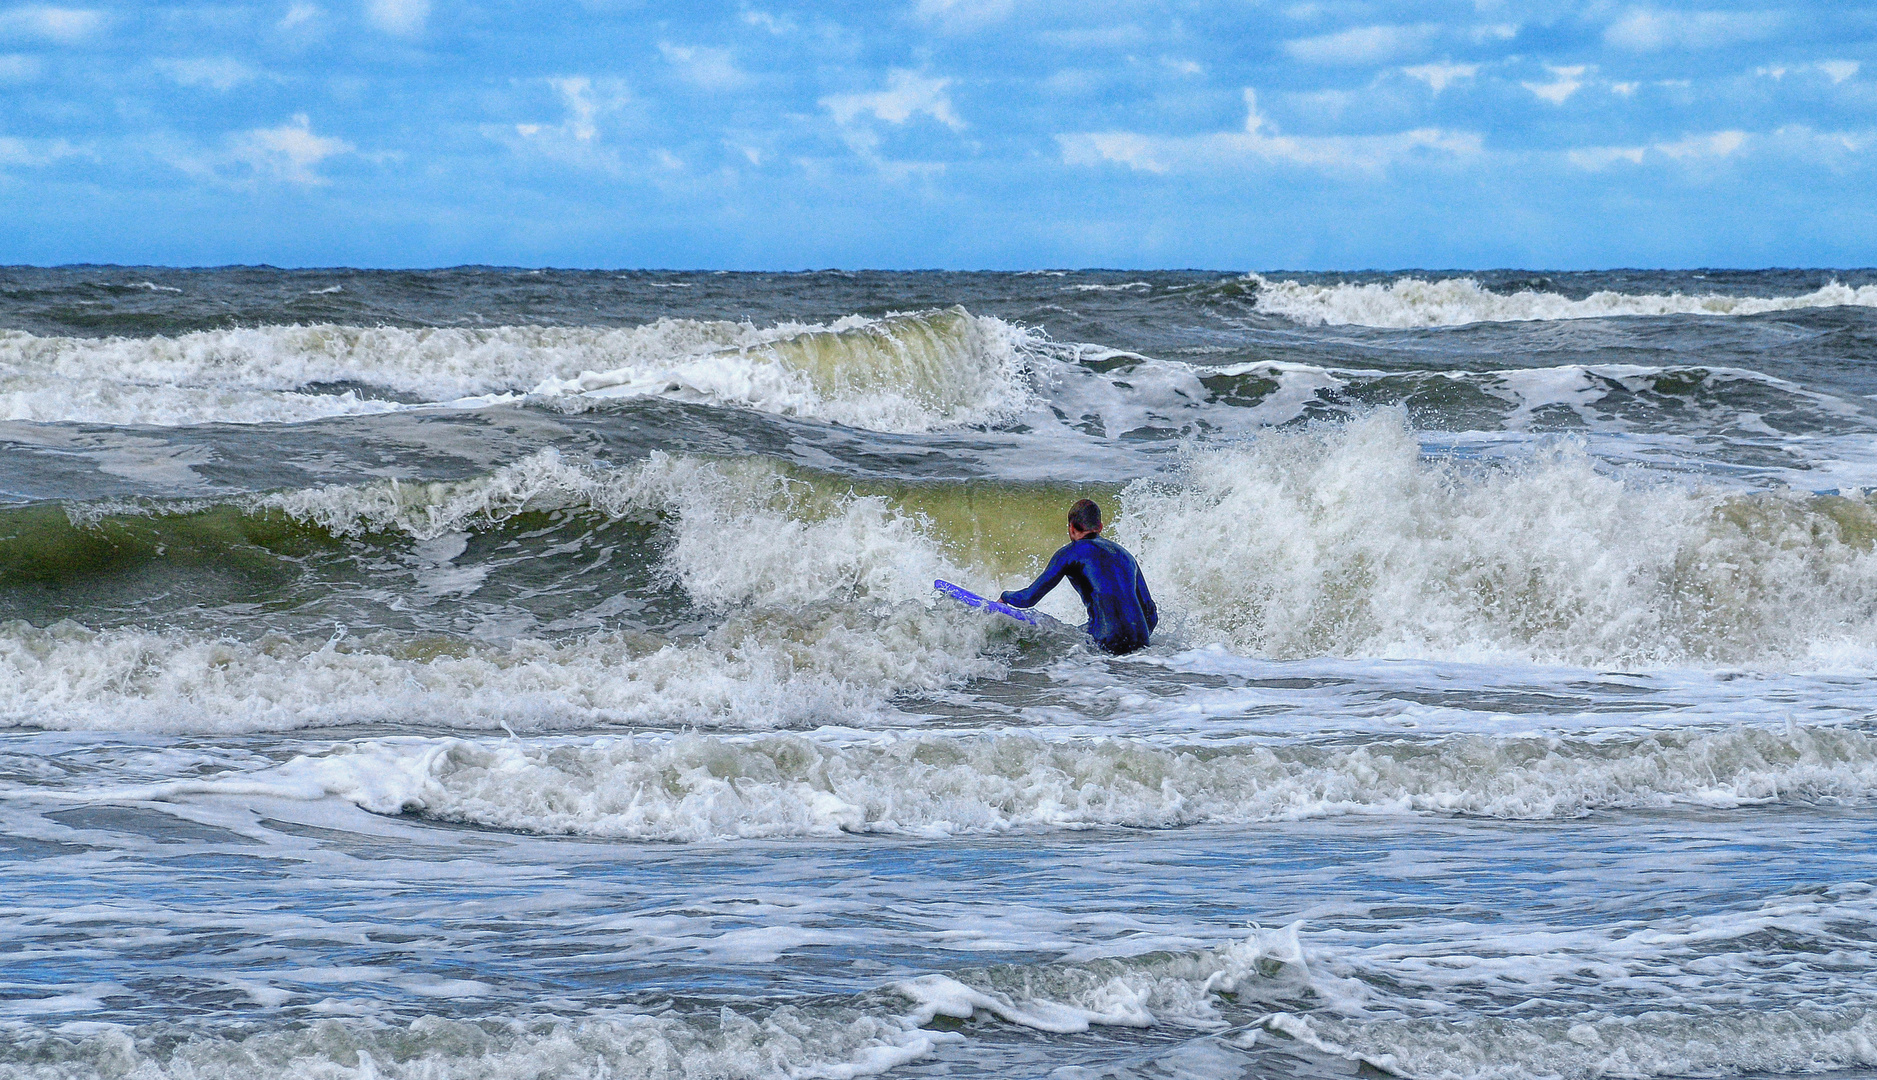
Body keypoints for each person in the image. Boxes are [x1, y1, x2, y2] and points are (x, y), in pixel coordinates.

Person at [1000, 498, 1157, 655]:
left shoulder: (1070, 553)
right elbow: (1151, 615)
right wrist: (1132, 639)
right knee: (1080, 631)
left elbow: (1028, 598)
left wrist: (1005, 597)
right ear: (1100, 527)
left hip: (1107, 643)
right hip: (1141, 642)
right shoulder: (1126, 556)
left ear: (1072, 528)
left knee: (1059, 648)